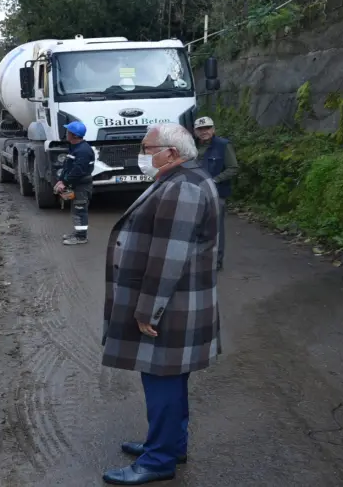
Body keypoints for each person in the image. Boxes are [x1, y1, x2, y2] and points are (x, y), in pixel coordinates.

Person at [101, 123, 221, 485]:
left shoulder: (183, 187)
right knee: (170, 379)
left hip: (170, 305)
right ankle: (170, 444)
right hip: (178, 301)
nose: (142, 153)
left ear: (170, 152)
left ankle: (158, 461)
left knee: (162, 379)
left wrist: (147, 308)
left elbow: (169, 255)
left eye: (147, 147)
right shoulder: (183, 180)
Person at [194, 116, 238, 271]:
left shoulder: (223, 145)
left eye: (207, 128)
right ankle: (199, 259)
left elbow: (233, 168)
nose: (204, 131)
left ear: (213, 129)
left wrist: (215, 180)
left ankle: (216, 260)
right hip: (195, 193)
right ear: (196, 131)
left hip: (217, 193)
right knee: (196, 227)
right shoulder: (192, 147)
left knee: (216, 228)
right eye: (200, 129)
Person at [55, 121, 94, 245]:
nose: (66, 133)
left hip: (82, 186)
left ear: (74, 135)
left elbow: (78, 171)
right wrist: (61, 180)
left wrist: (64, 183)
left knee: (80, 210)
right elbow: (68, 167)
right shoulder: (75, 148)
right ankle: (78, 233)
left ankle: (81, 237)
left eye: (68, 132)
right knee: (76, 210)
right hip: (76, 185)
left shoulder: (83, 151)